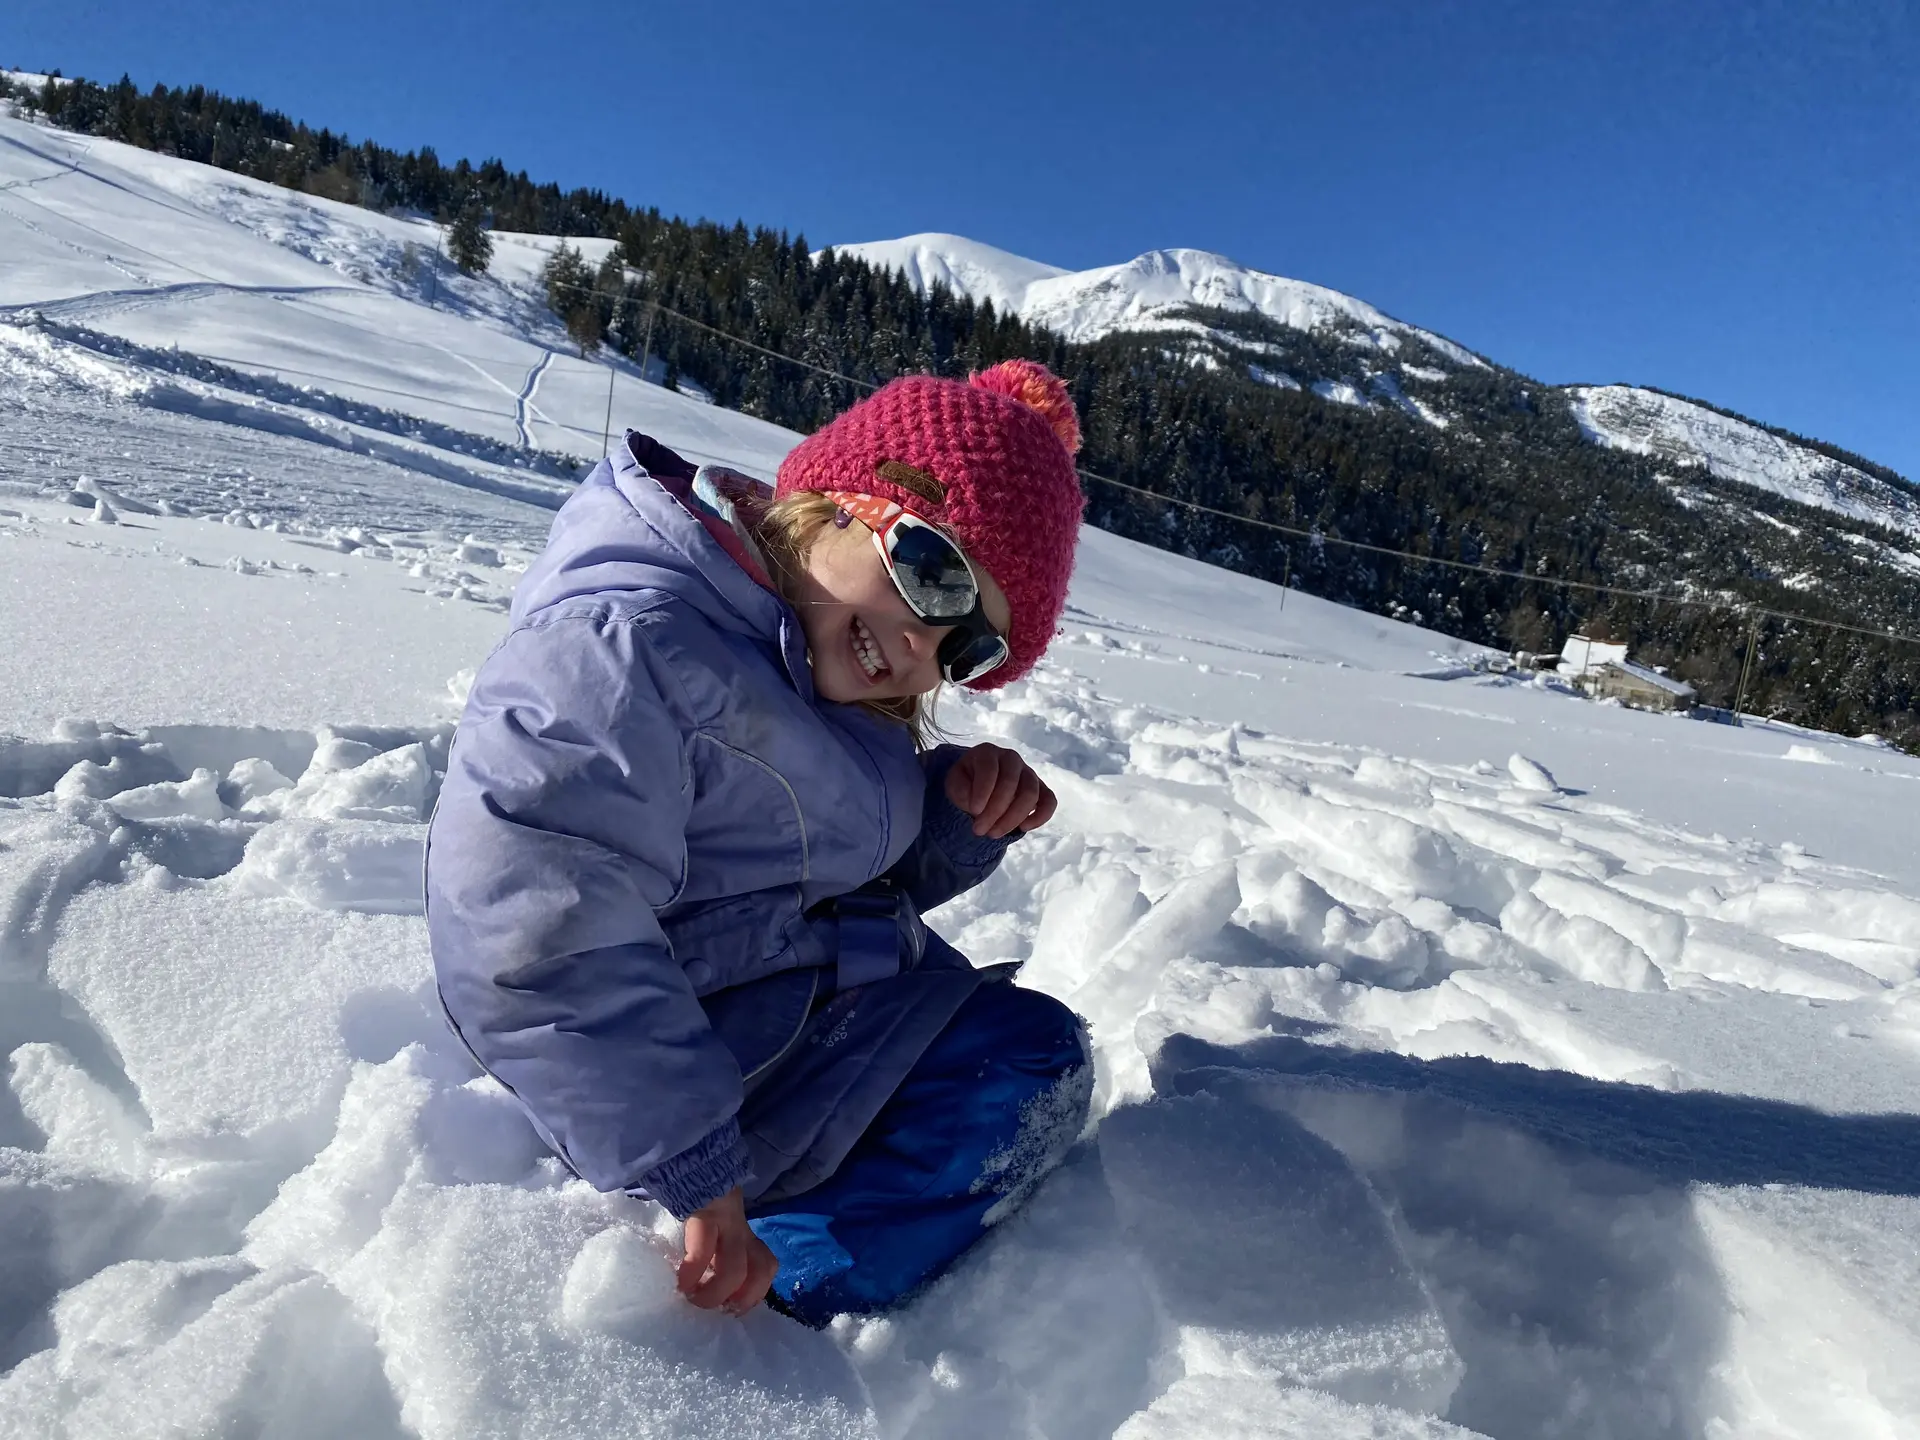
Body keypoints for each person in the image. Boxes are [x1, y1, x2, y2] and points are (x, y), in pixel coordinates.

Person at [425, 359, 1094, 1326]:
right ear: (836, 500)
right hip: (679, 1073)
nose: (925, 646)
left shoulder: (809, 669)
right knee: (1021, 1069)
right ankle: (780, 1302)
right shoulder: (632, 649)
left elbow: (818, 867)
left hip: (781, 1015)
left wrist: (951, 818)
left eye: (969, 650)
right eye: (935, 575)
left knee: (1025, 1054)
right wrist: (694, 1163)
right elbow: (536, 917)